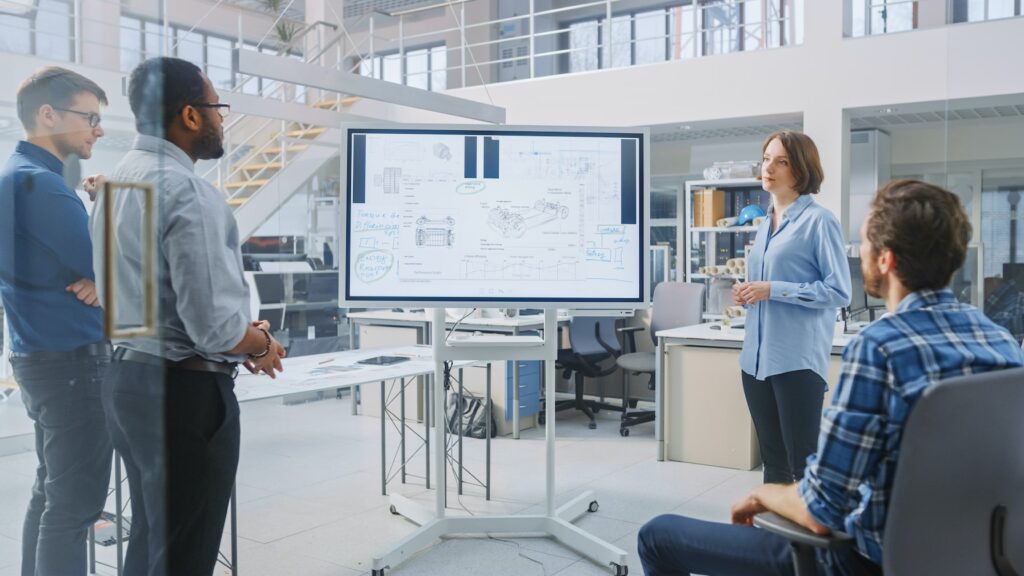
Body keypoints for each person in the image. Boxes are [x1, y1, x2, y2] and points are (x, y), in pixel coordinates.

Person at [638, 179, 1024, 576]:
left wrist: (763, 493)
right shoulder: (1002, 343)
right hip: (977, 559)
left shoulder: (880, 349)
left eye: (864, 245)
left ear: (885, 259)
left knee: (657, 535)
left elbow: (822, 510)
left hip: (863, 561)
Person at [91, 57, 286, 575]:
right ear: (191, 116)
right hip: (183, 397)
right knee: (185, 554)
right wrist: (263, 343)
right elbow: (216, 328)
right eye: (216, 107)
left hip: (127, 382)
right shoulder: (189, 193)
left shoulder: (116, 184)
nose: (222, 119)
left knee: (154, 540)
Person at [0, 66, 111, 576]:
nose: (99, 129)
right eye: (91, 117)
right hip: (72, 365)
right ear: (48, 115)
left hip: (39, 356)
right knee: (75, 507)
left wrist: (102, 281)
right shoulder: (43, 187)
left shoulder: (15, 177)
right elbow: (114, 274)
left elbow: (97, 278)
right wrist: (107, 204)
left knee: (51, 495)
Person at [732, 131, 851, 484]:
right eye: (766, 158)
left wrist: (773, 289)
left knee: (802, 466)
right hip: (754, 360)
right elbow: (767, 288)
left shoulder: (819, 221)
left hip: (795, 361)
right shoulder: (765, 223)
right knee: (773, 463)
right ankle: (774, 537)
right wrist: (747, 293)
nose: (769, 167)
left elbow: (838, 292)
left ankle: (805, 538)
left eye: (781, 161)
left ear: (801, 169)